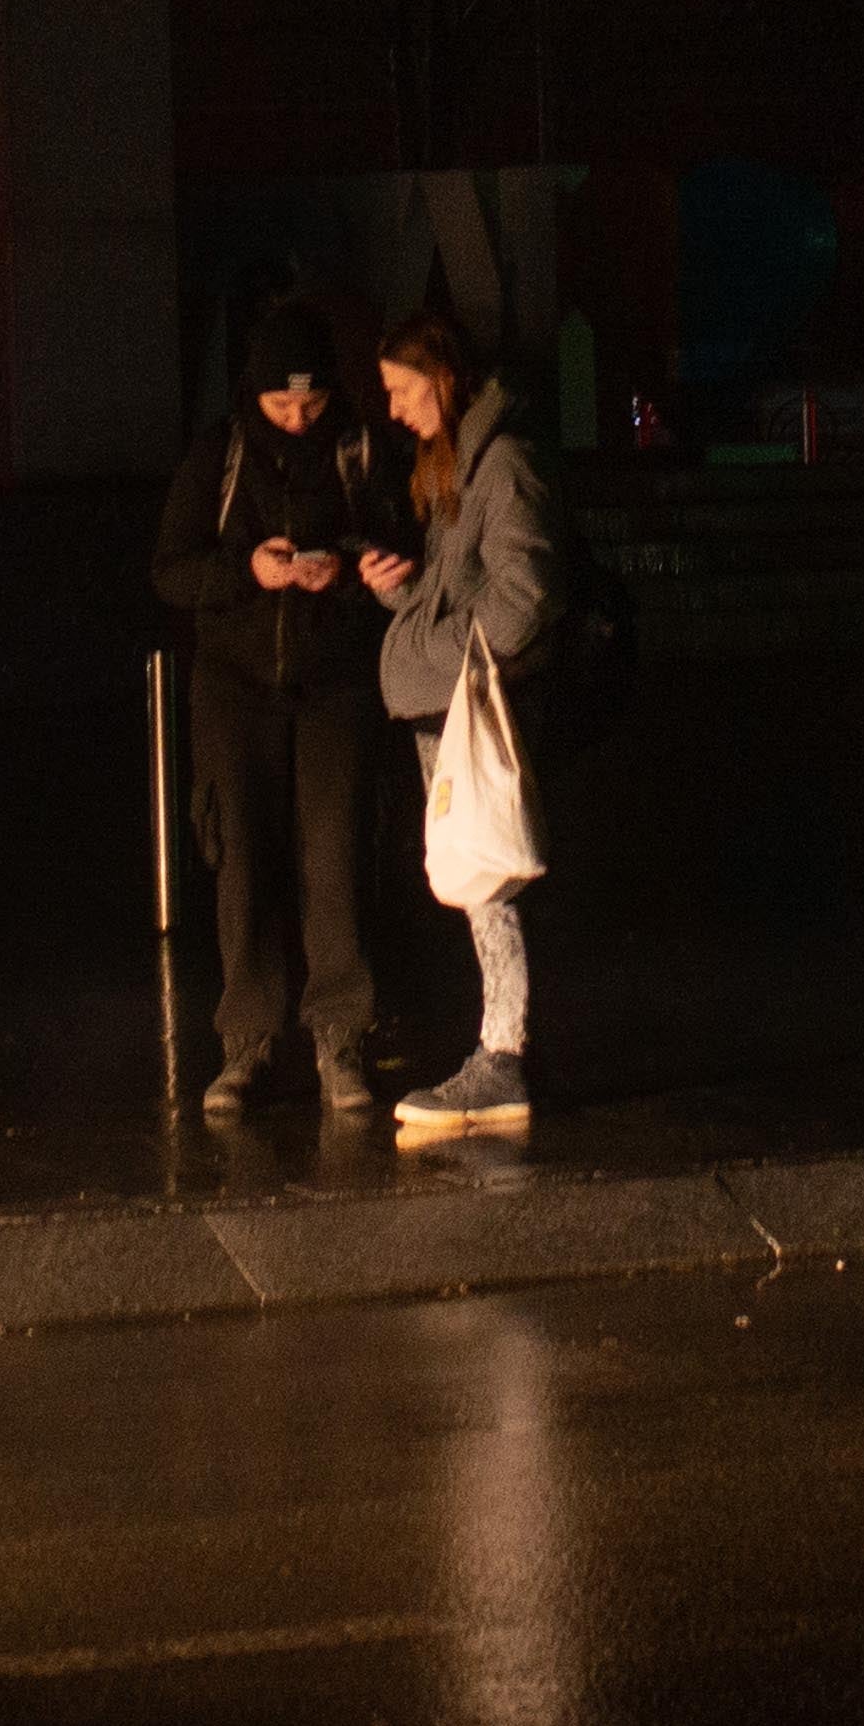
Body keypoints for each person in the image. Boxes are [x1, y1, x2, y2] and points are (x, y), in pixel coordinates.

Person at [152, 301, 405, 1118]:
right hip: (235, 685)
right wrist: (246, 570)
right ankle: (246, 1042)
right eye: (280, 405)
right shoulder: (218, 455)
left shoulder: (362, 450)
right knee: (245, 859)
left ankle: (340, 1038)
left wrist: (351, 566)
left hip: (335, 682)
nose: (297, 419)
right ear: (251, 395)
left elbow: (400, 543)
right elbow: (170, 568)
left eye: (312, 403)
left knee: (334, 857)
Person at [361, 309, 566, 1138]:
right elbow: (474, 598)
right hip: (448, 699)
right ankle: (498, 1049)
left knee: (486, 876)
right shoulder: (461, 467)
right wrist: (403, 604)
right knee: (474, 876)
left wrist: (428, 648)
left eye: (404, 390)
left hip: (470, 708)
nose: (397, 409)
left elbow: (521, 599)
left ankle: (502, 1055)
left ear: (443, 378)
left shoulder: (501, 464)